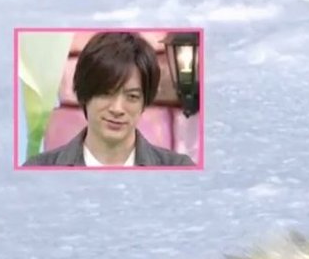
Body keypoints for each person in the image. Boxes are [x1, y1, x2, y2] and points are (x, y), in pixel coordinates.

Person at [23, 31, 196, 167]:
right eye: (106, 93)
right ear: (85, 94)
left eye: (132, 97)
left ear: (144, 102)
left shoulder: (178, 167)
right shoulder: (40, 168)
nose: (118, 109)